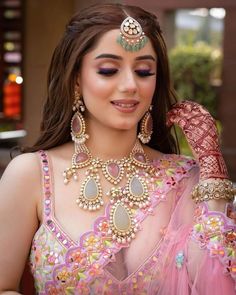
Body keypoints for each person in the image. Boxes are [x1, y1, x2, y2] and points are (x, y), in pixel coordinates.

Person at [0, 3, 235, 294]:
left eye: (144, 71)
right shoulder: (32, 174)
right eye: (109, 70)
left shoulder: (184, 179)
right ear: (76, 79)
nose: (130, 85)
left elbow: (213, 283)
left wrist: (212, 171)